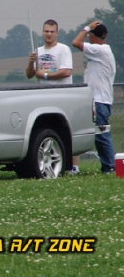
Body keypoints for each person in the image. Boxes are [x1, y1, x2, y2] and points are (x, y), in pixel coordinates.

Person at [26, 19, 80, 173]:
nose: (49, 34)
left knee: (68, 129)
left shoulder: (63, 50)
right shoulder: (38, 51)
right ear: (42, 32)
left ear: (57, 33)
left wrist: (46, 75)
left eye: (52, 31)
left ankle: (74, 166)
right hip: (44, 95)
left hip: (63, 94)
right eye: (46, 31)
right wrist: (31, 63)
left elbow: (66, 71)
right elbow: (30, 75)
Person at [72, 21, 116, 173]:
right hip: (101, 99)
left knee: (102, 134)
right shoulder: (104, 51)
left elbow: (76, 42)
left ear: (93, 36)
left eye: (90, 35)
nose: (88, 37)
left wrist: (86, 28)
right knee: (100, 133)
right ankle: (108, 165)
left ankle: (110, 166)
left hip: (99, 100)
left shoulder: (99, 50)